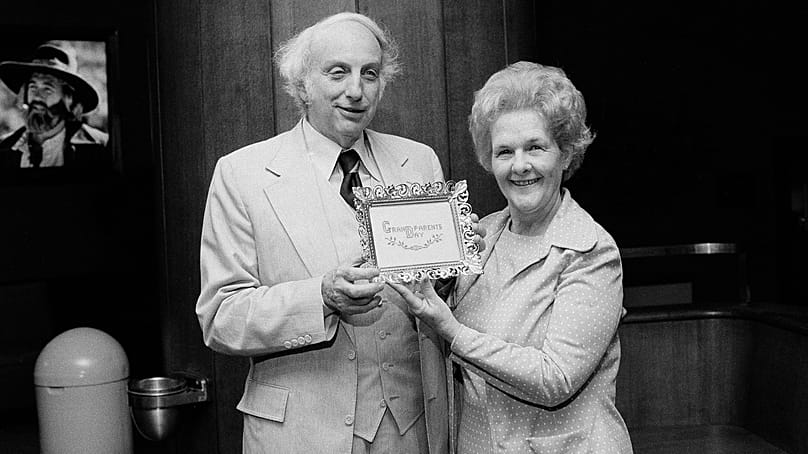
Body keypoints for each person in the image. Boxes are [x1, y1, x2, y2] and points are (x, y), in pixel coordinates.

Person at [196, 12, 483, 454]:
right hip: (299, 433)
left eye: (370, 73)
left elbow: (438, 295)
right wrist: (322, 297)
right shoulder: (243, 175)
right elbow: (221, 318)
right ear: (302, 84)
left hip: (411, 430)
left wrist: (454, 270)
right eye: (338, 72)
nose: (356, 90)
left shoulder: (418, 161)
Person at [390, 61, 633, 453]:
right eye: (505, 151)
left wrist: (451, 329)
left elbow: (555, 380)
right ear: (489, 159)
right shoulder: (484, 234)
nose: (520, 165)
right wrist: (440, 279)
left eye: (535, 147)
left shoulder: (590, 251)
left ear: (565, 153)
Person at [0, 40, 108, 169]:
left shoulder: (100, 146)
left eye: (47, 89)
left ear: (68, 99)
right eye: (33, 87)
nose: (37, 96)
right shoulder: (4, 147)